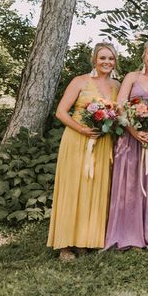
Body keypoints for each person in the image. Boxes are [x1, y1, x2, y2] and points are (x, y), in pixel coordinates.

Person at [47, 42, 121, 261]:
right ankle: (65, 244)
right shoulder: (80, 81)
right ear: (94, 60)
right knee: (73, 188)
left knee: (96, 189)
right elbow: (61, 112)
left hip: (102, 142)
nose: (106, 62)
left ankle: (87, 240)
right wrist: (82, 129)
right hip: (78, 140)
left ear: (115, 61)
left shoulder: (117, 85)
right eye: (103, 58)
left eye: (110, 58)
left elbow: (118, 115)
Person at [105, 39, 148, 250]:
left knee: (147, 183)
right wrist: (134, 130)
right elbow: (120, 105)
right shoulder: (132, 77)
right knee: (127, 184)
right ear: (144, 55)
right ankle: (122, 233)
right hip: (129, 137)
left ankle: (143, 234)